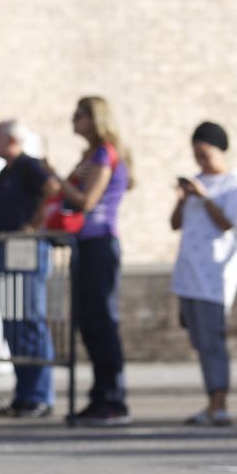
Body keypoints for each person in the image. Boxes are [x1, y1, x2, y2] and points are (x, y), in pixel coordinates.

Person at [0, 119, 59, 417]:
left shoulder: (29, 165)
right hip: (8, 250)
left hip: (24, 250)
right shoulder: (8, 172)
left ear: (12, 140)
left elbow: (52, 188)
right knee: (14, 321)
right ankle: (24, 395)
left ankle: (39, 395)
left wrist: (32, 225)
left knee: (29, 319)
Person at [169, 122, 237, 427]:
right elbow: (175, 223)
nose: (201, 162)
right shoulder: (195, 182)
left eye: (205, 154)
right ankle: (212, 401)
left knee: (212, 339)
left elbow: (227, 223)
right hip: (188, 273)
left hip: (214, 275)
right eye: (196, 155)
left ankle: (219, 405)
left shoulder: (235, 181)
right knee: (199, 340)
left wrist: (204, 197)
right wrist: (183, 198)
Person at [61, 96, 134, 427]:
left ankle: (113, 398)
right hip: (85, 243)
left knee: (102, 321)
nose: (73, 120)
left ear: (95, 118)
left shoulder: (105, 153)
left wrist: (55, 178)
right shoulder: (90, 155)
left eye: (79, 115)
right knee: (88, 322)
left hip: (101, 242)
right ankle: (100, 395)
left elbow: (87, 201)